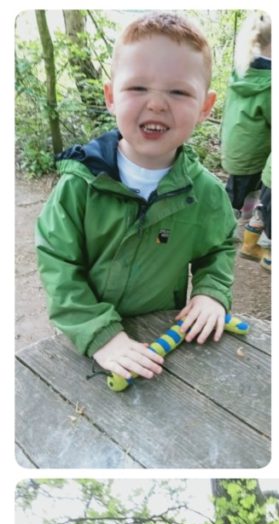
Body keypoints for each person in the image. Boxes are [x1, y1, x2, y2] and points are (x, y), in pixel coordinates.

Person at [35, 12, 236, 385]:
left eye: (178, 92)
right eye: (138, 88)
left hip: (160, 335)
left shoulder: (205, 193)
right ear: (111, 96)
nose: (157, 104)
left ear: (205, 107)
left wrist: (211, 292)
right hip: (86, 340)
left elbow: (219, 248)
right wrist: (98, 333)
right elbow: (57, 261)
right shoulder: (81, 183)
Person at [220, 12, 271, 260]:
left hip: (234, 149)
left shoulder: (240, 72)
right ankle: (219, 236)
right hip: (252, 155)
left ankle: (242, 232)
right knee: (238, 197)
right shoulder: (269, 83)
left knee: (240, 193)